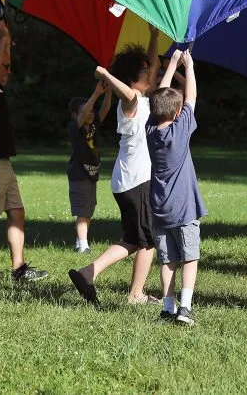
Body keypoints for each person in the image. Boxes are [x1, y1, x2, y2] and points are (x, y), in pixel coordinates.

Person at [68, 26, 161, 306]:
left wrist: (154, 38)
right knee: (148, 240)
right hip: (136, 179)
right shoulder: (130, 103)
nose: (150, 73)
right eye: (144, 71)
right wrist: (107, 75)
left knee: (133, 238)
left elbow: (151, 69)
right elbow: (129, 94)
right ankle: (136, 295)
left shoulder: (141, 99)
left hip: (127, 180)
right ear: (133, 78)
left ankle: (87, 273)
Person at [0, 19, 48, 282]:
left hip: (1, 163)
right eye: (4, 66)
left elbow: (1, 65)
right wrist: (2, 38)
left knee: (16, 213)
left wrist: (7, 40)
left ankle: (19, 269)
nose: (8, 71)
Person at [146, 49, 206, 325]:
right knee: (189, 257)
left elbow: (158, 97)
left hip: (158, 209)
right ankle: (186, 307)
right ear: (179, 112)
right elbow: (191, 96)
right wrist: (188, 66)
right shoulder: (180, 131)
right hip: (183, 207)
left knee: (167, 259)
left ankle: (167, 308)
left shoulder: (150, 131)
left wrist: (170, 67)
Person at [67, 82, 112, 253]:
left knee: (88, 210)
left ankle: (80, 242)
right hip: (79, 174)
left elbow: (105, 109)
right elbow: (85, 112)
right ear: (75, 114)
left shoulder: (93, 126)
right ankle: (83, 246)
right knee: (82, 210)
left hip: (91, 175)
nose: (90, 113)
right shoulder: (75, 128)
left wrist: (108, 93)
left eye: (92, 110)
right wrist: (96, 93)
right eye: (87, 110)